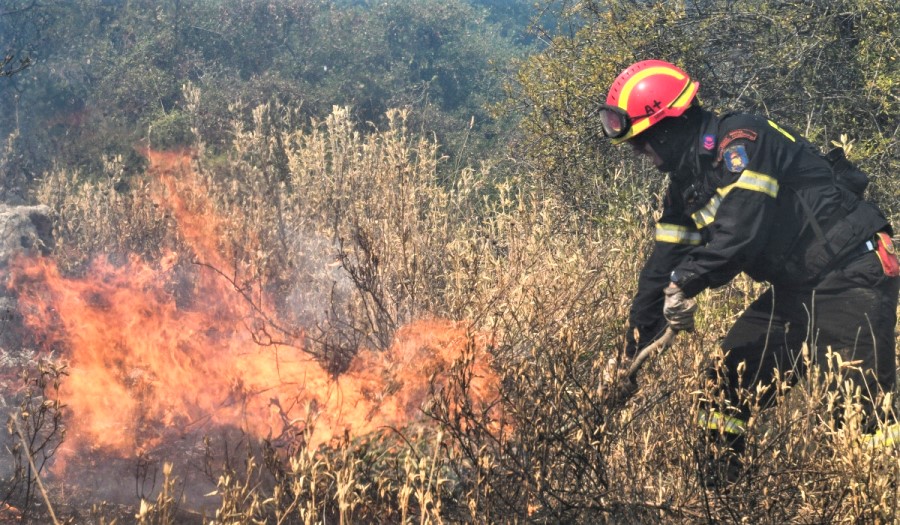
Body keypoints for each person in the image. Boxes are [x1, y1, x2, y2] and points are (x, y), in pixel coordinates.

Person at [599, 59, 900, 486]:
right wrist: (629, 354)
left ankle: (880, 501)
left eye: (641, 140)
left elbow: (742, 232)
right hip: (795, 288)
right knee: (723, 386)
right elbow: (658, 270)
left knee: (860, 415)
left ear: (669, 126)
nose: (637, 152)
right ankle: (722, 496)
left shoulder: (742, 140)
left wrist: (686, 282)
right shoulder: (685, 188)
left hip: (851, 270)